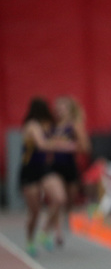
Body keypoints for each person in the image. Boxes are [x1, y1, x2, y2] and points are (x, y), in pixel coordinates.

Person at [20, 97, 76, 256]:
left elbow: (50, 141)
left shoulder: (47, 126)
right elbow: (42, 144)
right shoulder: (32, 125)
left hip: (44, 169)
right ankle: (30, 240)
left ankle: (45, 230)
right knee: (35, 211)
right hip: (30, 170)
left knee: (59, 198)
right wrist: (65, 146)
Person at [51, 95, 91, 210]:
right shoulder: (53, 126)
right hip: (54, 166)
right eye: (57, 109)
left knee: (69, 202)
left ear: (69, 110)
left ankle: (67, 224)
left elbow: (86, 147)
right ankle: (55, 225)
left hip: (69, 165)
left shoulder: (74, 125)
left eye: (62, 108)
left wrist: (67, 147)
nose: (59, 111)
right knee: (57, 199)